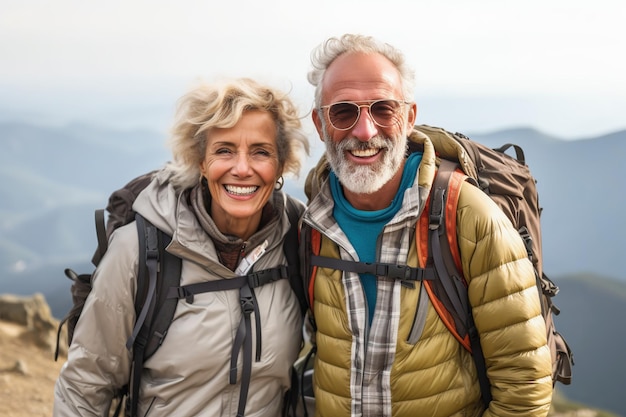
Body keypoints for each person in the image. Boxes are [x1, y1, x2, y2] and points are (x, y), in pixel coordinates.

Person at [301, 33, 553, 416]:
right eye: (343, 112)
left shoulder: (467, 217)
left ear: (409, 118)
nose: (364, 131)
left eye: (383, 110)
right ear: (320, 124)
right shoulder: (310, 224)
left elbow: (524, 392)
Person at [53, 77, 310, 417]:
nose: (242, 168)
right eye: (224, 150)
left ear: (281, 164)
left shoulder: (298, 239)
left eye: (260, 152)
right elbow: (87, 383)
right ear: (201, 162)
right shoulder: (142, 249)